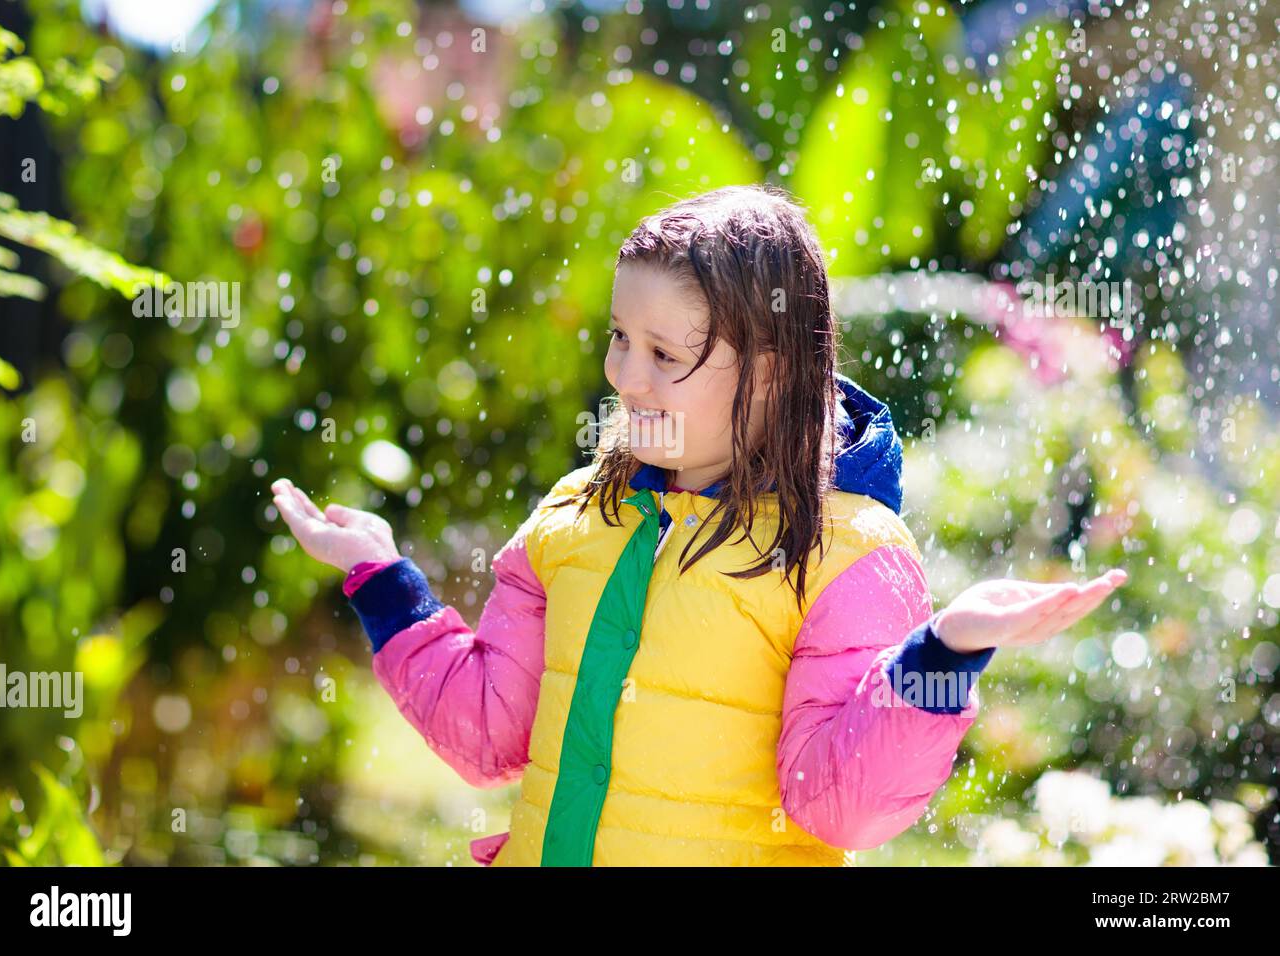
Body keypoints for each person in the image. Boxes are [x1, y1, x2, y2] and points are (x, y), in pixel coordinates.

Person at [271, 183, 1126, 866]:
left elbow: (847, 806)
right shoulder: (578, 516)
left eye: (664, 354)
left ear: (769, 372)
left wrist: (944, 657)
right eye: (618, 339)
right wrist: (386, 585)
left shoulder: (846, 553)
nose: (625, 377)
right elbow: (491, 735)